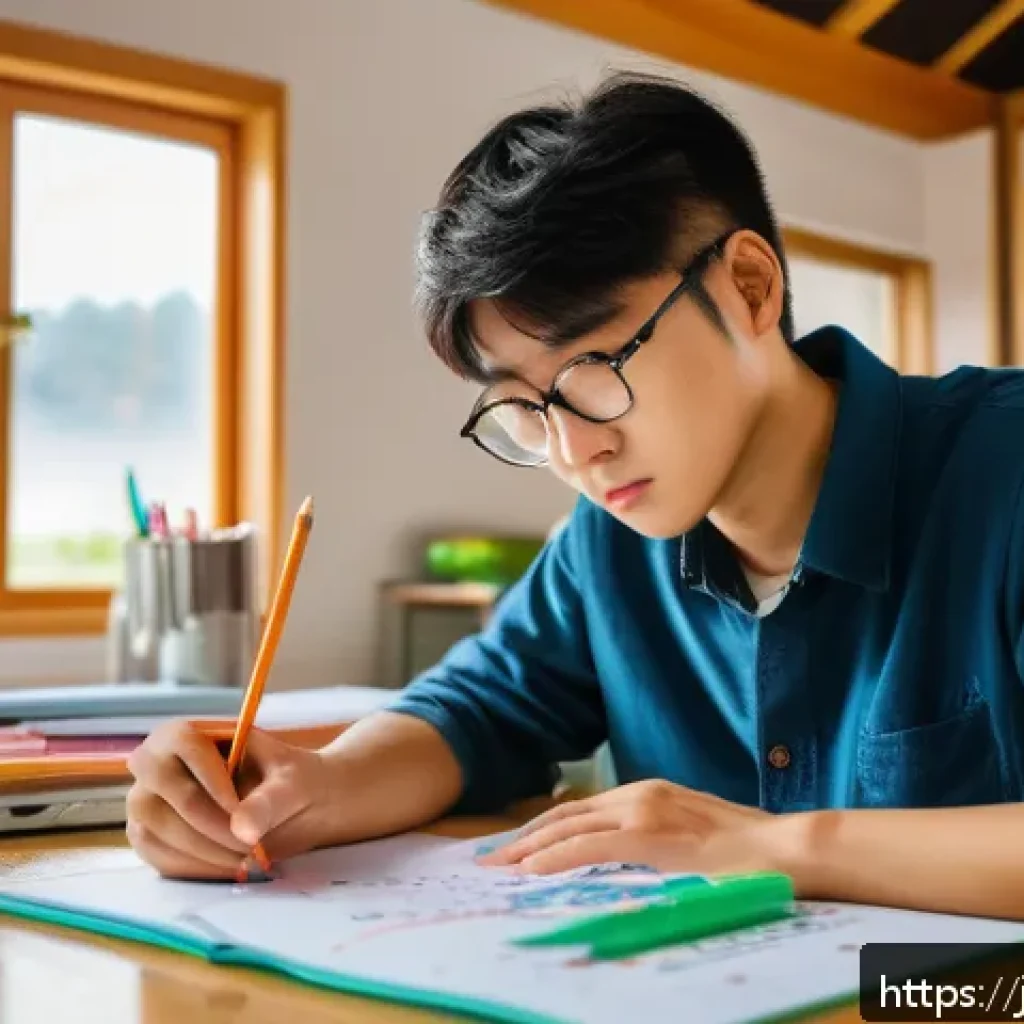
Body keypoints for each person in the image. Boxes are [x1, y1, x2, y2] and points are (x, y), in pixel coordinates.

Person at [125, 71, 1024, 918]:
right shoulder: (610, 543)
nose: (574, 450)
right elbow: (472, 716)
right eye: (520, 407)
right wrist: (308, 790)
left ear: (749, 287)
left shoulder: (1002, 470)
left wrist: (776, 844)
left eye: (594, 370)